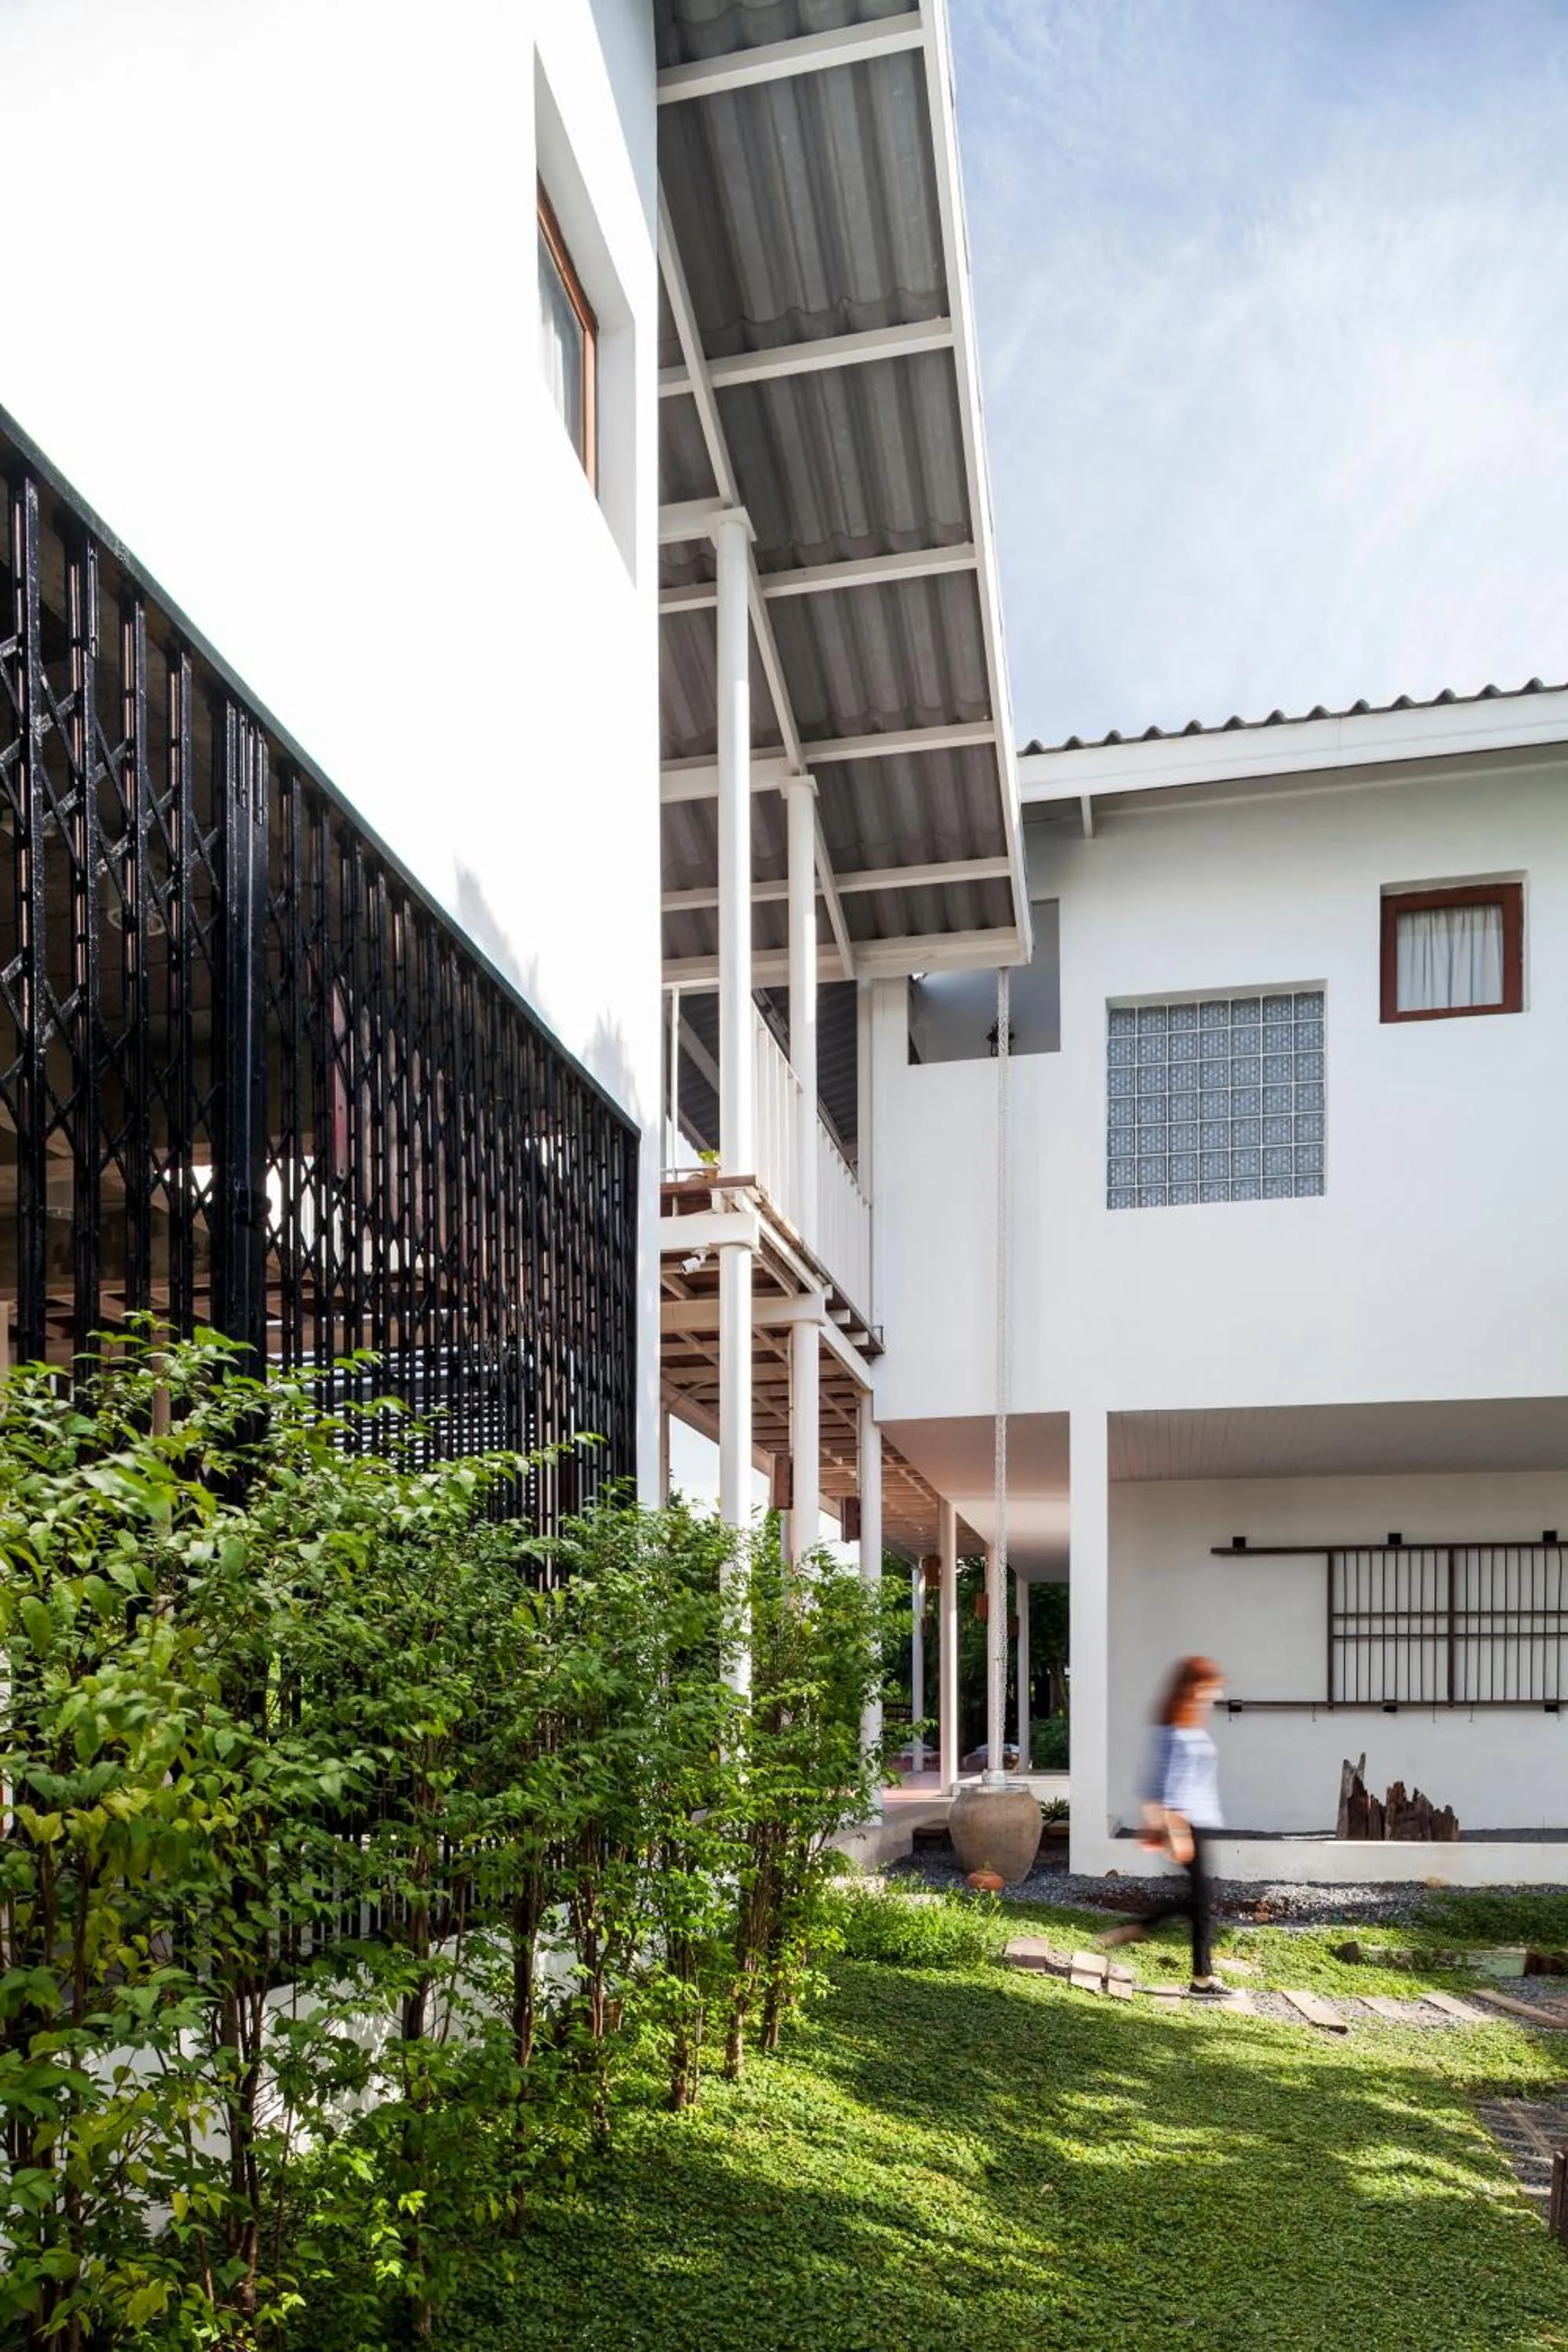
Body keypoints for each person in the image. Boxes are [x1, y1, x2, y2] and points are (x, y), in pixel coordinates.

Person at [1098, 1655, 1228, 1998]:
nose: (1215, 1692)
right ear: (1194, 1686)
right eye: (1210, 1685)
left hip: (1199, 1820)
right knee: (1201, 1902)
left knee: (1198, 1901)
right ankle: (1202, 1979)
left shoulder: (1187, 1725)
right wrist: (1175, 1831)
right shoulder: (1173, 1730)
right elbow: (1163, 1785)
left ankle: (1139, 1928)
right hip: (1186, 1823)